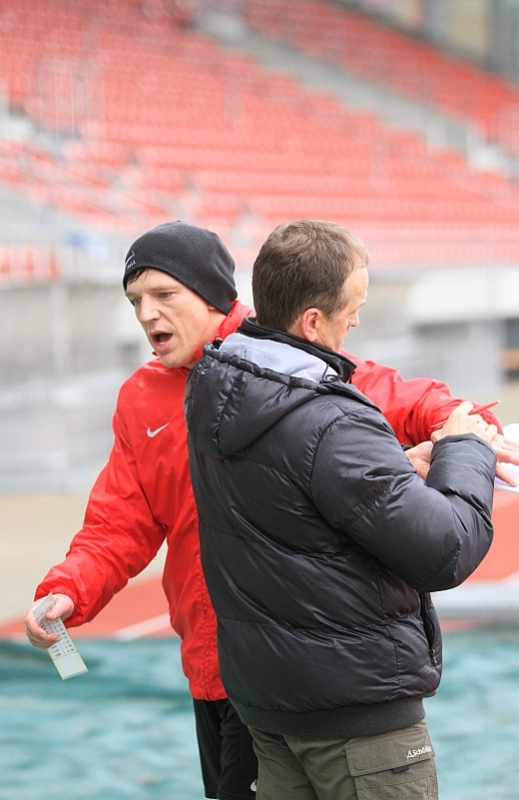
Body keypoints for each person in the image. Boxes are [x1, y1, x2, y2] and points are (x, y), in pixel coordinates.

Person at [24, 220, 517, 800]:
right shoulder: (142, 398)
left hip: (287, 671)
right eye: (135, 300)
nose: (146, 313)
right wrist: (69, 589)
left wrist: (461, 431)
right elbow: (119, 523)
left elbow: (406, 397)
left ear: (212, 294)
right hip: (214, 669)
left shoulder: (283, 363)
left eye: (163, 294)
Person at [185, 219, 499, 800]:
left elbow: (294, 496)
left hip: (270, 705)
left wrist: (392, 465)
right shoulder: (331, 421)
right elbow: (445, 550)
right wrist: (466, 448)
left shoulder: (215, 388)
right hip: (354, 711)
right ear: (312, 321)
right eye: (352, 308)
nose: (355, 321)